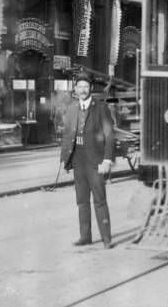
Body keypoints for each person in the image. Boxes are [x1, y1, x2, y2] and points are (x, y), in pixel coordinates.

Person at [59, 72, 115, 248]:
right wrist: (66, 160)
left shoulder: (101, 108)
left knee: (99, 199)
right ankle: (85, 236)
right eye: (79, 87)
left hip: (96, 160)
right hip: (78, 159)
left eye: (85, 86)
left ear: (90, 88)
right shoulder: (72, 108)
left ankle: (106, 239)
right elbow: (67, 135)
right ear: (75, 90)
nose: (82, 90)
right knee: (82, 200)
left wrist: (107, 160)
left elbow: (109, 135)